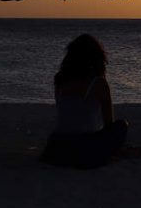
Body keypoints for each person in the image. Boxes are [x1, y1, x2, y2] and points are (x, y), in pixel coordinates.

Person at [40, 34, 128, 169]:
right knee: (121, 126)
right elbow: (108, 124)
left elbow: (65, 113)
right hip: (83, 149)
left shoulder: (60, 80)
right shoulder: (98, 83)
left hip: (56, 148)